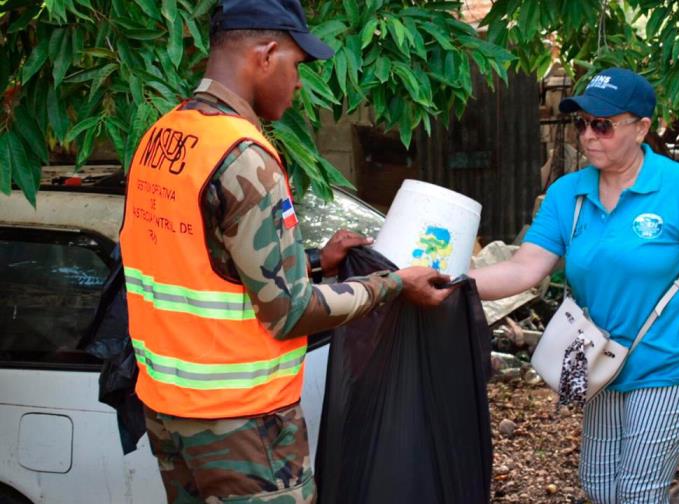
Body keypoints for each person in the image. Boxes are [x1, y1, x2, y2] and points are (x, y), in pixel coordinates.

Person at [118, 1, 454, 502]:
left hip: (170, 414)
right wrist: (393, 284)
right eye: (297, 67)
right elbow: (289, 312)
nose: (298, 85)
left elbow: (202, 260)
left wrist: (317, 262)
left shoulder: (162, 137)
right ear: (266, 54)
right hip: (242, 426)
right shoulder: (243, 155)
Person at [468, 67, 679, 503]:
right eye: (582, 123)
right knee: (599, 486)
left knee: (638, 492)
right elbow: (524, 269)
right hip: (601, 366)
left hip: (671, 367)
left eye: (603, 125)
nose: (589, 135)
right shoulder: (568, 193)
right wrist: (454, 280)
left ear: (642, 127)